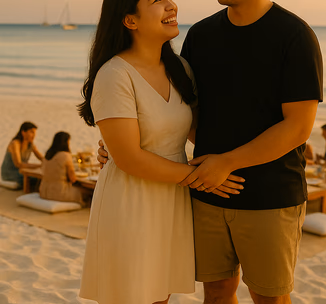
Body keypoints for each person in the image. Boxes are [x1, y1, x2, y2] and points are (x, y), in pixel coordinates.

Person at [98, 0, 323, 303]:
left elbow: (298, 127)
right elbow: (183, 111)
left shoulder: (294, 34)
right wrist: (120, 145)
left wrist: (227, 163)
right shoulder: (202, 35)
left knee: (270, 297)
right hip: (205, 194)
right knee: (216, 293)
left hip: (269, 193)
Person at [77, 0, 243, 303]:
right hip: (131, 200)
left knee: (159, 296)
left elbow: (195, 131)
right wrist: (205, 177)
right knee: (130, 294)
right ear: (130, 21)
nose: (171, 5)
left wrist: (231, 160)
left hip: (172, 200)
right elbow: (129, 159)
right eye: (157, 1)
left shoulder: (180, 69)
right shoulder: (115, 74)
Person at [39, 132, 87, 206]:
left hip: (44, 191)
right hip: (59, 193)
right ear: (66, 142)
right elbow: (73, 179)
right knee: (87, 192)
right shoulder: (65, 155)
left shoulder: (47, 155)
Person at [1, 122, 43, 188]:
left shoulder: (30, 144)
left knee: (42, 178)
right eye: (31, 132)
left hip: (22, 170)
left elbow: (41, 157)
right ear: (23, 132)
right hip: (10, 172)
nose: (34, 135)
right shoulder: (15, 143)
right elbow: (18, 164)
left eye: (34, 133)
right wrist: (38, 166)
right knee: (36, 179)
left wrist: (49, 163)